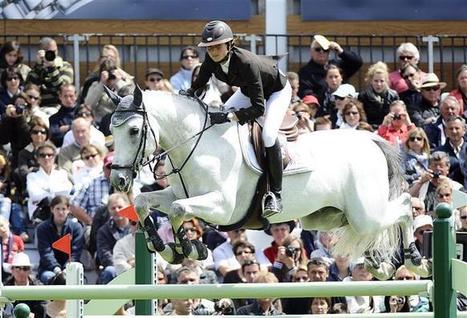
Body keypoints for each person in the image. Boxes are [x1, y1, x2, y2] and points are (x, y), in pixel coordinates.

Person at [183, 20, 291, 217]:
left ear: (229, 45)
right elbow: (200, 82)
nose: (213, 52)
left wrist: (233, 115)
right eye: (209, 48)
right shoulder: (211, 60)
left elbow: (259, 108)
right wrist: (188, 93)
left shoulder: (246, 63)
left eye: (217, 46)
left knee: (267, 135)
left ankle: (276, 195)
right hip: (249, 90)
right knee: (222, 115)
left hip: (276, 90)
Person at [36, 195, 84, 284]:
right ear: (52, 209)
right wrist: (57, 270)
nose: (60, 212)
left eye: (63, 209)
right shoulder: (42, 228)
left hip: (71, 268)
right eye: (57, 209)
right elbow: (46, 253)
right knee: (50, 277)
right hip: (49, 269)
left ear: (68, 210)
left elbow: (76, 253)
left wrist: (67, 269)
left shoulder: (76, 227)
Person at [298, 34, 362, 100]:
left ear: (329, 52)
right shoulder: (305, 72)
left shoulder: (337, 65)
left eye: (325, 50)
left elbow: (357, 62)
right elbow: (306, 94)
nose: (321, 52)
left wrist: (340, 51)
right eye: (318, 49)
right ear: (311, 52)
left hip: (342, 105)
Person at [26, 142, 73, 219]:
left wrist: (47, 192)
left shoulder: (62, 173)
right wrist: (56, 193)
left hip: (62, 211)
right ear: (37, 159)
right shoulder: (32, 176)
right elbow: (35, 196)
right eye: (42, 155)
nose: (46, 158)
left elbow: (67, 190)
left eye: (50, 155)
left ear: (54, 157)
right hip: (41, 213)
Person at [26, 37, 74, 110]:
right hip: (39, 108)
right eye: (48, 52)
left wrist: (51, 68)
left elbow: (63, 87)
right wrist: (38, 67)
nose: (52, 54)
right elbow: (30, 87)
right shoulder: (36, 68)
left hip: (59, 107)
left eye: (54, 51)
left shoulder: (65, 66)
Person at [95, 192, 131, 284]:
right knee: (109, 271)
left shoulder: (138, 227)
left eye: (120, 207)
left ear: (128, 206)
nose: (117, 210)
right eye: (113, 208)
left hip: (137, 265)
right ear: (108, 210)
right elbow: (105, 256)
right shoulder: (103, 231)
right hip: (116, 266)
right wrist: (123, 266)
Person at [3, 253, 47, 318]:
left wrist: (34, 316)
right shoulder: (4, 287)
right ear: (12, 270)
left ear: (29, 271)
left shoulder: (38, 288)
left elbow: (43, 308)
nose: (22, 272)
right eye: (18, 268)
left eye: (25, 268)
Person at [358, 61, 399, 129]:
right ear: (371, 81)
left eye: (382, 81)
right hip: (369, 129)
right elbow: (361, 117)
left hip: (389, 128)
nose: (379, 84)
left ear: (386, 81)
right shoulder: (363, 96)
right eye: (376, 81)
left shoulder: (393, 95)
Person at [434, 115, 466, 185]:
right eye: (451, 129)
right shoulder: (439, 152)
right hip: (450, 191)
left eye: (457, 128)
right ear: (446, 131)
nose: (454, 131)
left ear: (464, 130)